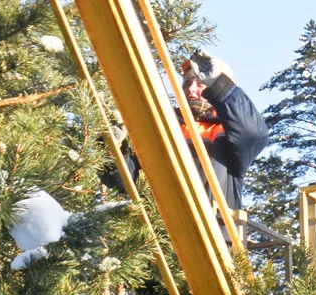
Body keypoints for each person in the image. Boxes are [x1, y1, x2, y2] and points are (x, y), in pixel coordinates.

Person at [102, 47, 269, 212]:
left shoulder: (226, 134)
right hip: (161, 233)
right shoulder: (162, 130)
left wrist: (219, 85)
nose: (191, 89)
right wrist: (111, 148)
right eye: (187, 83)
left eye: (200, 83)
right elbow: (127, 182)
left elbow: (253, 133)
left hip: (216, 233)